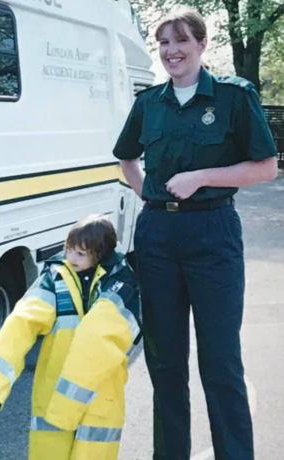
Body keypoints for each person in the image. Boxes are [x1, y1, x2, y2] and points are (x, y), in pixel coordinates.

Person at [113, 6, 278, 460]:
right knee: (164, 363)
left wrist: (202, 177)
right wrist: (149, 191)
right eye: (164, 42)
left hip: (213, 234)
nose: (171, 51)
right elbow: (126, 158)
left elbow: (265, 168)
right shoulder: (149, 103)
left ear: (202, 44)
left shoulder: (233, 95)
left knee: (220, 362)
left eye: (182, 41)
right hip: (158, 236)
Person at [0, 214, 141, 460]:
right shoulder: (55, 277)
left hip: (99, 393)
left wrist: (65, 408)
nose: (72, 258)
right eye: (69, 250)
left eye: (81, 254)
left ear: (100, 255)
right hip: (58, 389)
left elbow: (99, 336)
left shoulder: (123, 282)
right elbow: (22, 322)